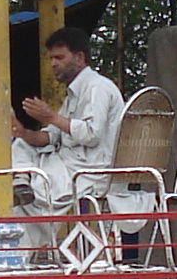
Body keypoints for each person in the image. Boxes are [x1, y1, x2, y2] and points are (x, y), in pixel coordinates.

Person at [13, 28, 126, 210]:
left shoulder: (97, 88)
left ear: (79, 58)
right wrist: (23, 133)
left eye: (59, 58)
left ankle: (26, 195)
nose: (53, 64)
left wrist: (51, 116)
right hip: (68, 165)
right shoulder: (73, 93)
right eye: (51, 59)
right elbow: (52, 136)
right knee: (21, 144)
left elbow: (91, 135)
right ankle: (21, 184)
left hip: (91, 171)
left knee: (27, 204)